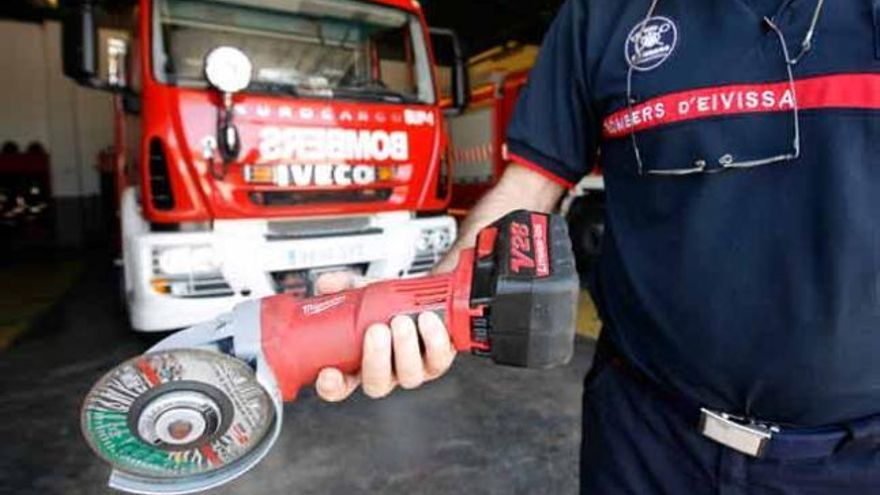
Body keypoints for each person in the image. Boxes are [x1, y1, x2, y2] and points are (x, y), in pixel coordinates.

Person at [316, 0, 880, 492]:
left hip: (855, 459)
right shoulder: (601, 13)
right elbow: (530, 184)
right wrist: (420, 305)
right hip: (646, 441)